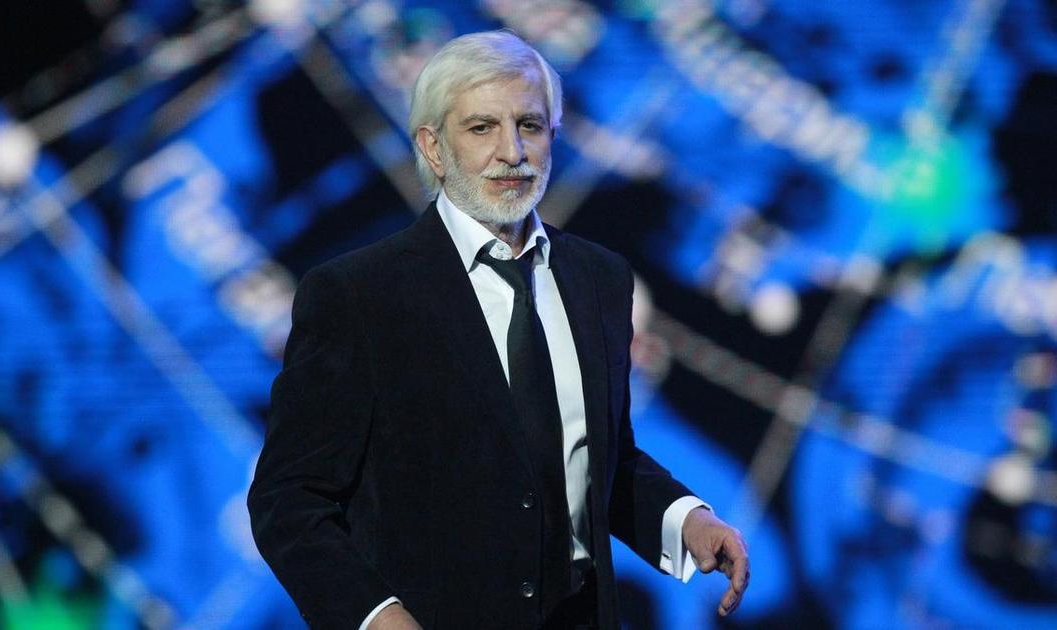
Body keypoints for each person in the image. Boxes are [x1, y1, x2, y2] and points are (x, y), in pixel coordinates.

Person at [248, 30, 749, 630]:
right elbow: (289, 498)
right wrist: (375, 616)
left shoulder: (601, 280)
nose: (511, 151)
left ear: (553, 137)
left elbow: (595, 462)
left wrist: (687, 520)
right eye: (482, 127)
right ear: (434, 149)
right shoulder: (358, 294)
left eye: (529, 125)